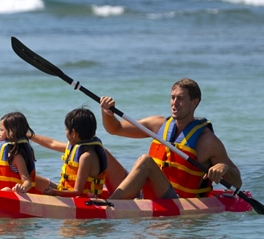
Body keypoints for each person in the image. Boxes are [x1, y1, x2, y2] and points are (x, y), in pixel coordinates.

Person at [99, 78, 241, 200]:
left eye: (180, 98)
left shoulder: (207, 141)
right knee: (101, 152)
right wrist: (107, 113)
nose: (174, 102)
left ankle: (110, 206)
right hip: (145, 193)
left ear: (194, 102)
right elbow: (115, 128)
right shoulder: (158, 124)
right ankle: (91, 196)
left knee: (146, 161)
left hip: (176, 200)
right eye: (172, 97)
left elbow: (237, 182)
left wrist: (224, 168)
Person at [31, 107, 127, 197]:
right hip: (65, 191)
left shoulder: (87, 157)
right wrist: (29, 135)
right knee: (28, 177)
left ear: (73, 133)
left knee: (29, 180)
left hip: (80, 200)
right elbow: (52, 143)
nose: (65, 132)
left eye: (66, 129)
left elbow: (77, 192)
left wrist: (54, 192)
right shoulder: (76, 147)